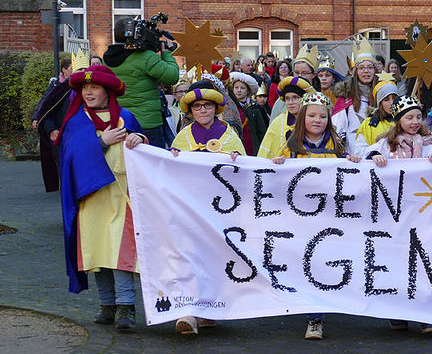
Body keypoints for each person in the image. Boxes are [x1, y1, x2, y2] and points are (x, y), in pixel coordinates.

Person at [56, 64, 147, 331]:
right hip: (91, 196)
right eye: (85, 88)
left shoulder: (126, 117)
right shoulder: (76, 122)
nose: (88, 92)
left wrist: (139, 138)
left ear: (107, 91)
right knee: (98, 253)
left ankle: (126, 308)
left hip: (122, 196)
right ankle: (107, 305)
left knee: (121, 254)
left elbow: (149, 149)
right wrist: (101, 142)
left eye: (94, 87)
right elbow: (69, 158)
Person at [272, 92, 360, 340]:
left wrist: (353, 162)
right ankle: (311, 313)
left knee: (322, 265)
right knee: (305, 265)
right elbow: (274, 177)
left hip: (329, 218)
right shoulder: (290, 148)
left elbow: (351, 173)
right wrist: (276, 164)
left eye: (323, 116)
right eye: (311, 115)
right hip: (301, 219)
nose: (317, 120)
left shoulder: (337, 147)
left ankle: (317, 316)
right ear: (302, 118)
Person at [169, 83, 244, 334]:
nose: (202, 110)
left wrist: (237, 161)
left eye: (207, 106)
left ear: (215, 108)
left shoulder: (229, 134)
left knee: (215, 257)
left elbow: (243, 171)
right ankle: (188, 311)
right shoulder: (183, 137)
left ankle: (210, 309)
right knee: (189, 256)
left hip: (219, 210)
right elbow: (170, 169)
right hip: (190, 207)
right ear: (190, 110)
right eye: (198, 106)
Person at [366, 95, 432, 335]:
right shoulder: (385, 145)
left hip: (421, 212)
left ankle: (426, 313)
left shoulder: (427, 145)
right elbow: (365, 159)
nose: (414, 121)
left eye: (418, 117)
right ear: (398, 120)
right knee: (396, 260)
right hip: (394, 215)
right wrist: (373, 158)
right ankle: (397, 312)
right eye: (409, 117)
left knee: (422, 260)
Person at [102, 18, 180, 148]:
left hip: (120, 122)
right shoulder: (145, 57)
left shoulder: (107, 57)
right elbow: (171, 77)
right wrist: (166, 54)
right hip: (148, 123)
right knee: (153, 163)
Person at [33, 52, 77, 192]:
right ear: (64, 70)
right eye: (72, 69)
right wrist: (48, 126)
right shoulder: (57, 86)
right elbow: (45, 106)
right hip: (60, 130)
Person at [257, 74, 315, 158]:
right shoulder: (277, 123)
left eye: (295, 97)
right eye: (287, 98)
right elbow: (266, 154)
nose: (290, 102)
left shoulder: (314, 120)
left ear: (305, 99)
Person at [354, 77, 398, 158]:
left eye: (394, 98)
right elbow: (359, 150)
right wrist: (373, 155)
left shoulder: (406, 122)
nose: (392, 103)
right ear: (380, 103)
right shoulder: (369, 124)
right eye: (386, 99)